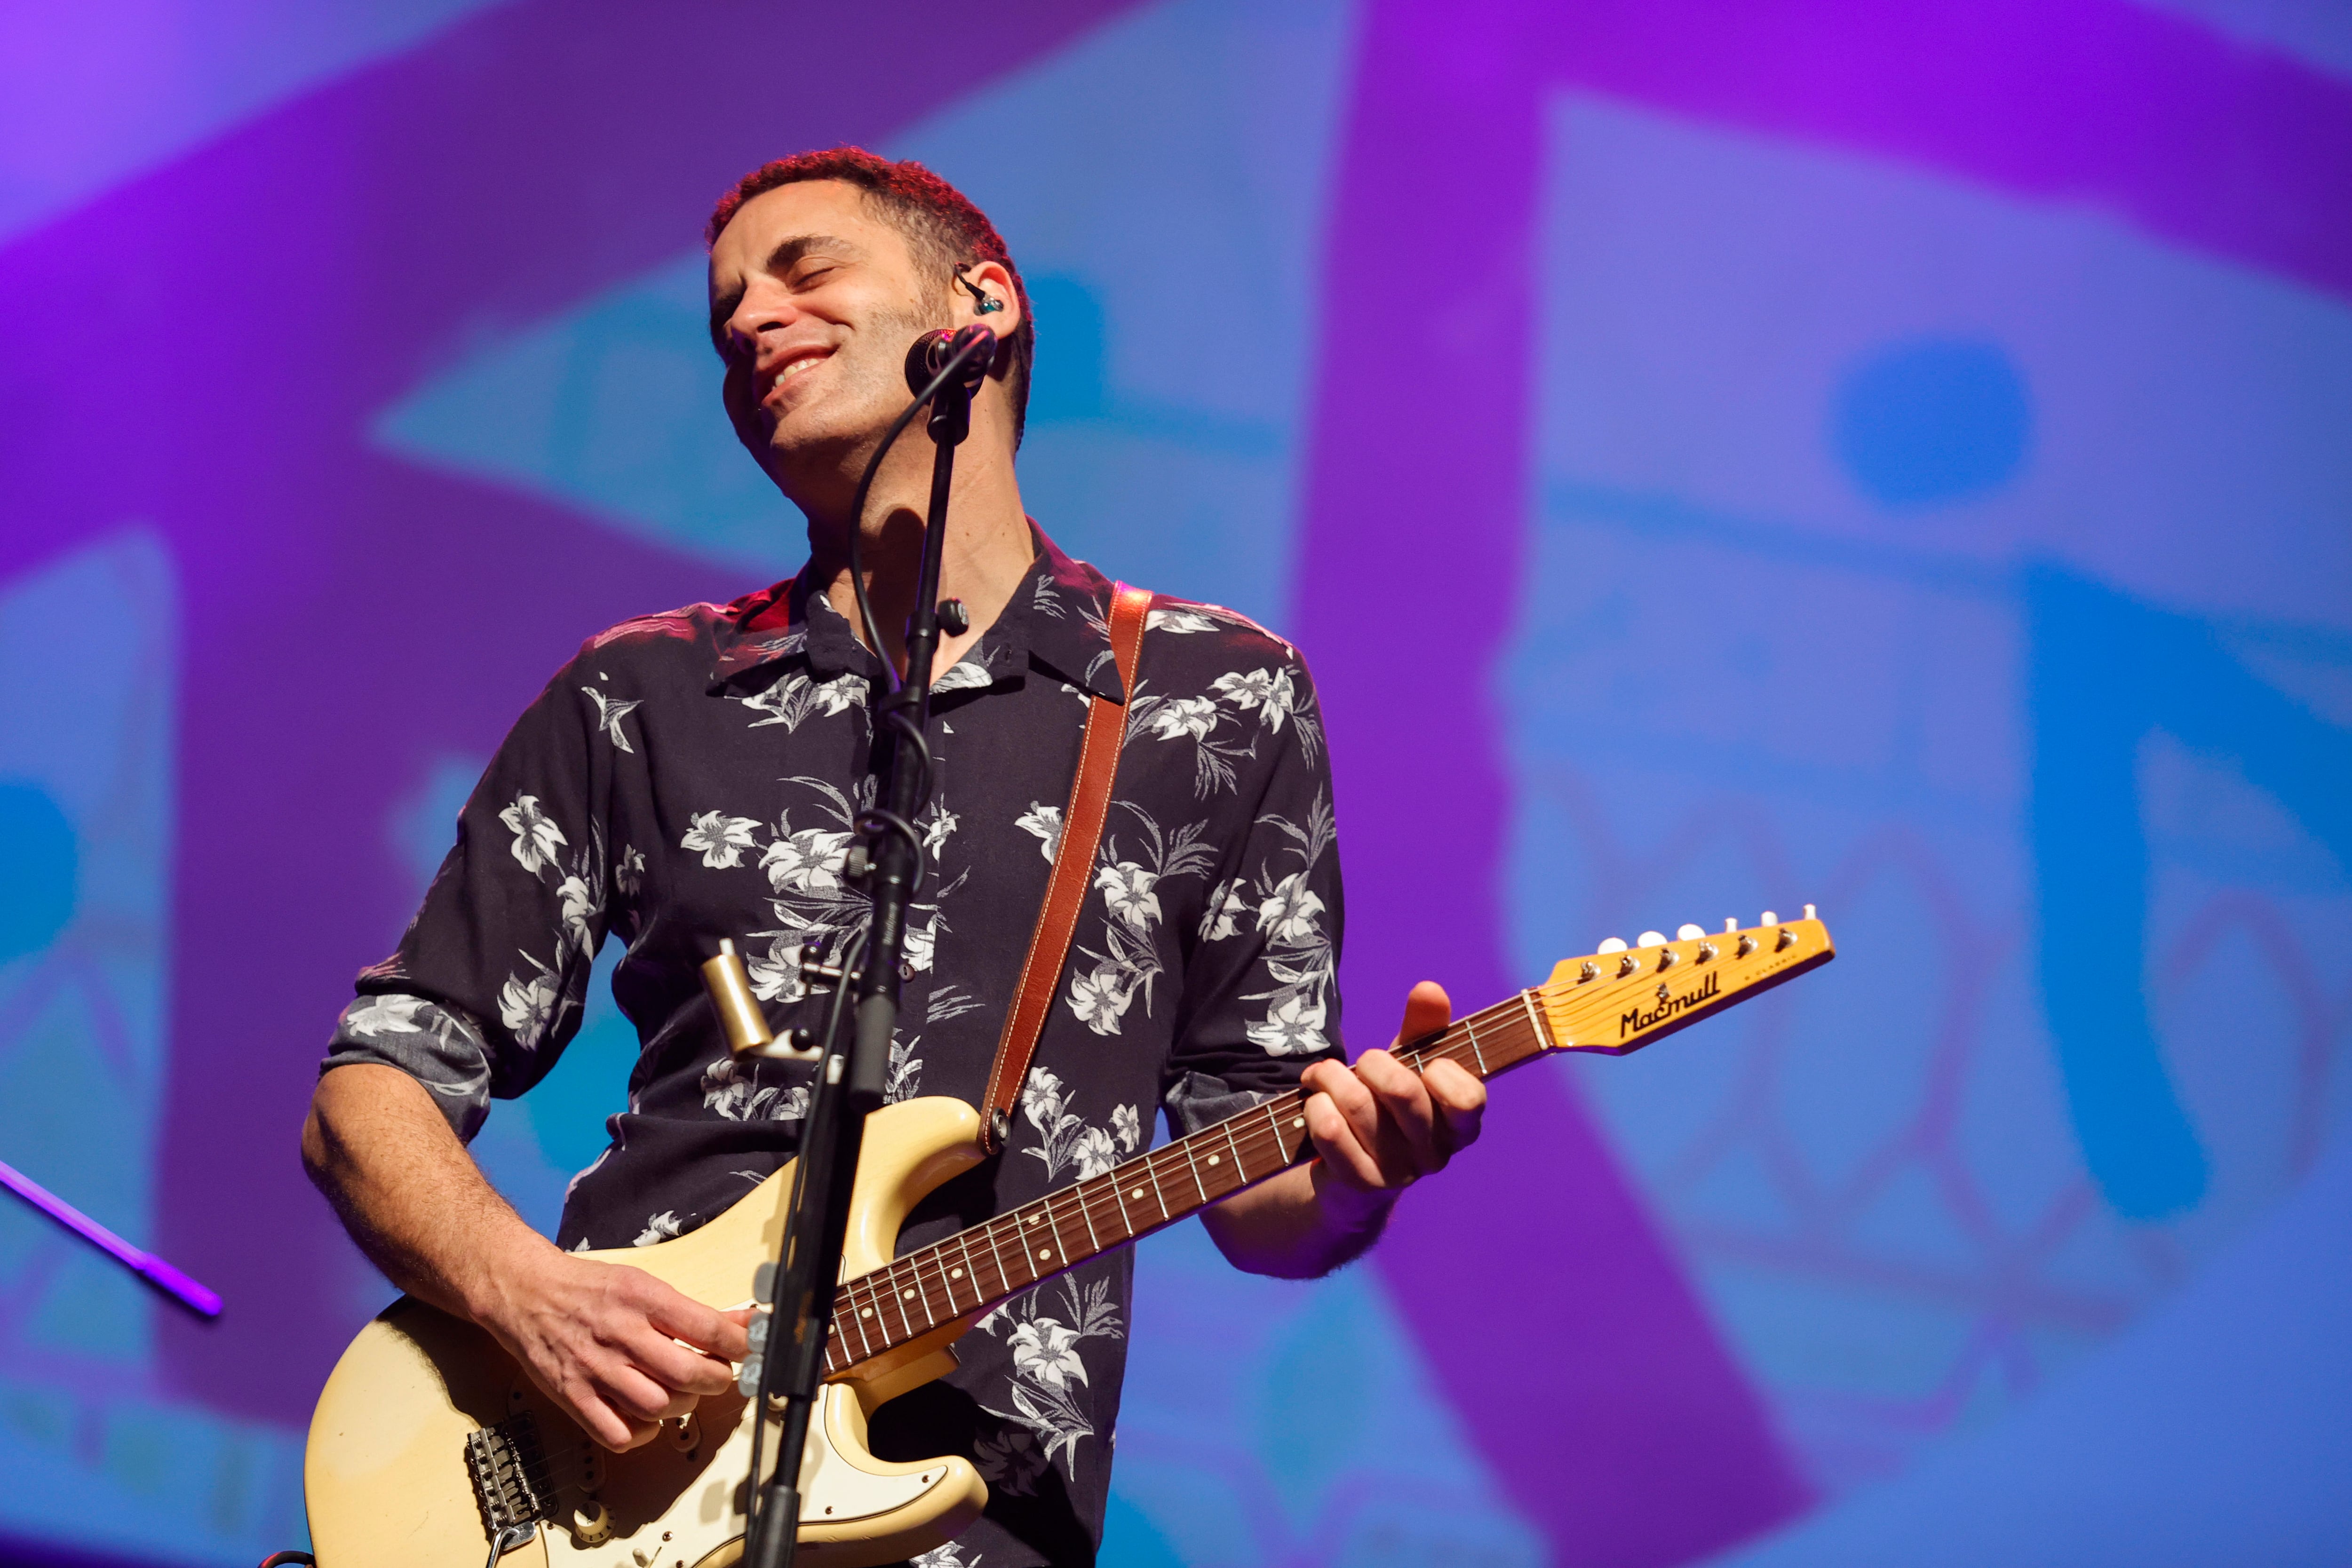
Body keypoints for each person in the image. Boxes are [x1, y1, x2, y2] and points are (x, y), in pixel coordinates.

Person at [301, 147, 1486, 1567]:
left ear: (979, 304)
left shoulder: (1214, 696)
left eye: (804, 270)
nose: (748, 322)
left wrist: (1360, 1172)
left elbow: (1260, 1195)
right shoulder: (642, 695)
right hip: (604, 1479)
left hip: (976, 1517)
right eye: (726, 310)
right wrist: (523, 1295)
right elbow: (376, 1086)